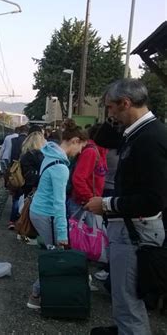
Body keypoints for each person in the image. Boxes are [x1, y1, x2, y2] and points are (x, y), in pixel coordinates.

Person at [85, 79, 167, 335]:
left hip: (135, 234)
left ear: (126, 103)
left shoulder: (149, 140)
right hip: (132, 231)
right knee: (123, 298)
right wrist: (114, 119)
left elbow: (154, 199)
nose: (109, 114)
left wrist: (107, 204)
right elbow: (102, 138)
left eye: (111, 108)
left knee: (129, 304)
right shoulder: (140, 132)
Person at [26, 119, 88, 309]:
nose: (79, 153)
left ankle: (40, 293)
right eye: (81, 148)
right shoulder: (61, 167)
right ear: (75, 141)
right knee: (56, 256)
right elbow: (59, 204)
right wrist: (62, 234)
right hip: (47, 214)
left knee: (51, 253)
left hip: (38, 210)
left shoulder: (50, 155)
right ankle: (36, 295)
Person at [68, 124, 108, 215]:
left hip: (87, 202)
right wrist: (90, 198)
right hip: (83, 204)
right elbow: (78, 178)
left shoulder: (98, 151)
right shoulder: (91, 152)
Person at [7, 124, 29, 229]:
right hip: (26, 173)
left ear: (19, 131)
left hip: (15, 171)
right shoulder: (29, 142)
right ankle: (21, 220)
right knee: (24, 197)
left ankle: (12, 220)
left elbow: (8, 156)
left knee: (15, 197)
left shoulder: (14, 141)